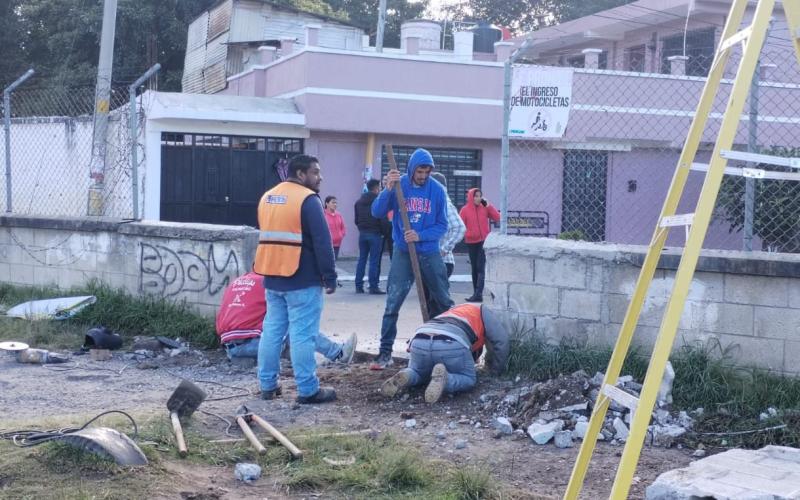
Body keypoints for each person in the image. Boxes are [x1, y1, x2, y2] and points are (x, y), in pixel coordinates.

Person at [254, 154, 338, 404]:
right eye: (315, 172)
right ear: (301, 174)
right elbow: (323, 242)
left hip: (272, 276)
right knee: (303, 335)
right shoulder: (308, 200)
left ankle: (267, 386)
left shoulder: (268, 197)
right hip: (302, 279)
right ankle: (307, 389)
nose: (320, 177)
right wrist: (330, 276)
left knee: (271, 332)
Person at [370, 148, 454, 370]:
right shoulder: (400, 185)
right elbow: (377, 212)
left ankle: (449, 348)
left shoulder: (437, 191)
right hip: (403, 252)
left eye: (427, 172)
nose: (423, 176)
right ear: (412, 168)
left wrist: (420, 235)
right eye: (420, 171)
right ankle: (384, 353)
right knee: (393, 302)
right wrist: (388, 189)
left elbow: (442, 225)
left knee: (444, 300)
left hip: (428, 251)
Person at [380, 303, 510, 403]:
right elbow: (501, 341)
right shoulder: (483, 310)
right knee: (469, 378)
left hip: (420, 338)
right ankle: (446, 380)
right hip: (451, 340)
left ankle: (406, 375)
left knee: (419, 371)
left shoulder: (454, 311)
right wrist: (495, 370)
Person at [216, 271, 356, 363]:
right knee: (298, 326)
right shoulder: (268, 284)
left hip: (229, 347)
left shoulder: (235, 283)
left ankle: (278, 361)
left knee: (274, 326)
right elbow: (292, 314)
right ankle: (338, 353)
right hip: (250, 344)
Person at [459, 188, 500, 303]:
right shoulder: (464, 210)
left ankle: (478, 294)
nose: (478, 198)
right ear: (471, 197)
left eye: (480, 196)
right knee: (474, 269)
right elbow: (460, 225)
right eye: (476, 196)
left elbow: (498, 217)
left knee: (480, 267)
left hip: (484, 242)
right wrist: (468, 234)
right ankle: (476, 294)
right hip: (471, 242)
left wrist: (489, 206)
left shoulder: (484, 208)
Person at [430, 172, 465, 279]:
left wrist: (444, 249)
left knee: (435, 295)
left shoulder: (444, 203)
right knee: (429, 295)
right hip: (433, 261)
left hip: (441, 262)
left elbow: (459, 228)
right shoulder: (434, 202)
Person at [354, 179, 386, 294]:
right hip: (375, 234)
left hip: (362, 234)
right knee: (374, 261)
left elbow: (356, 220)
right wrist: (383, 232)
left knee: (362, 259)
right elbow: (382, 219)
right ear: (377, 188)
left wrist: (362, 228)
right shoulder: (378, 201)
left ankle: (358, 286)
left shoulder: (358, 202)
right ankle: (373, 286)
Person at [323, 196, 346, 260]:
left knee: (334, 261)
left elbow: (343, 228)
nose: (335, 204)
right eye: (333, 202)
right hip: (327, 245)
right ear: (326, 204)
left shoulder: (338, 214)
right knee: (327, 262)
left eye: (336, 203)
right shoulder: (323, 215)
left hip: (337, 244)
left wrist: (341, 235)